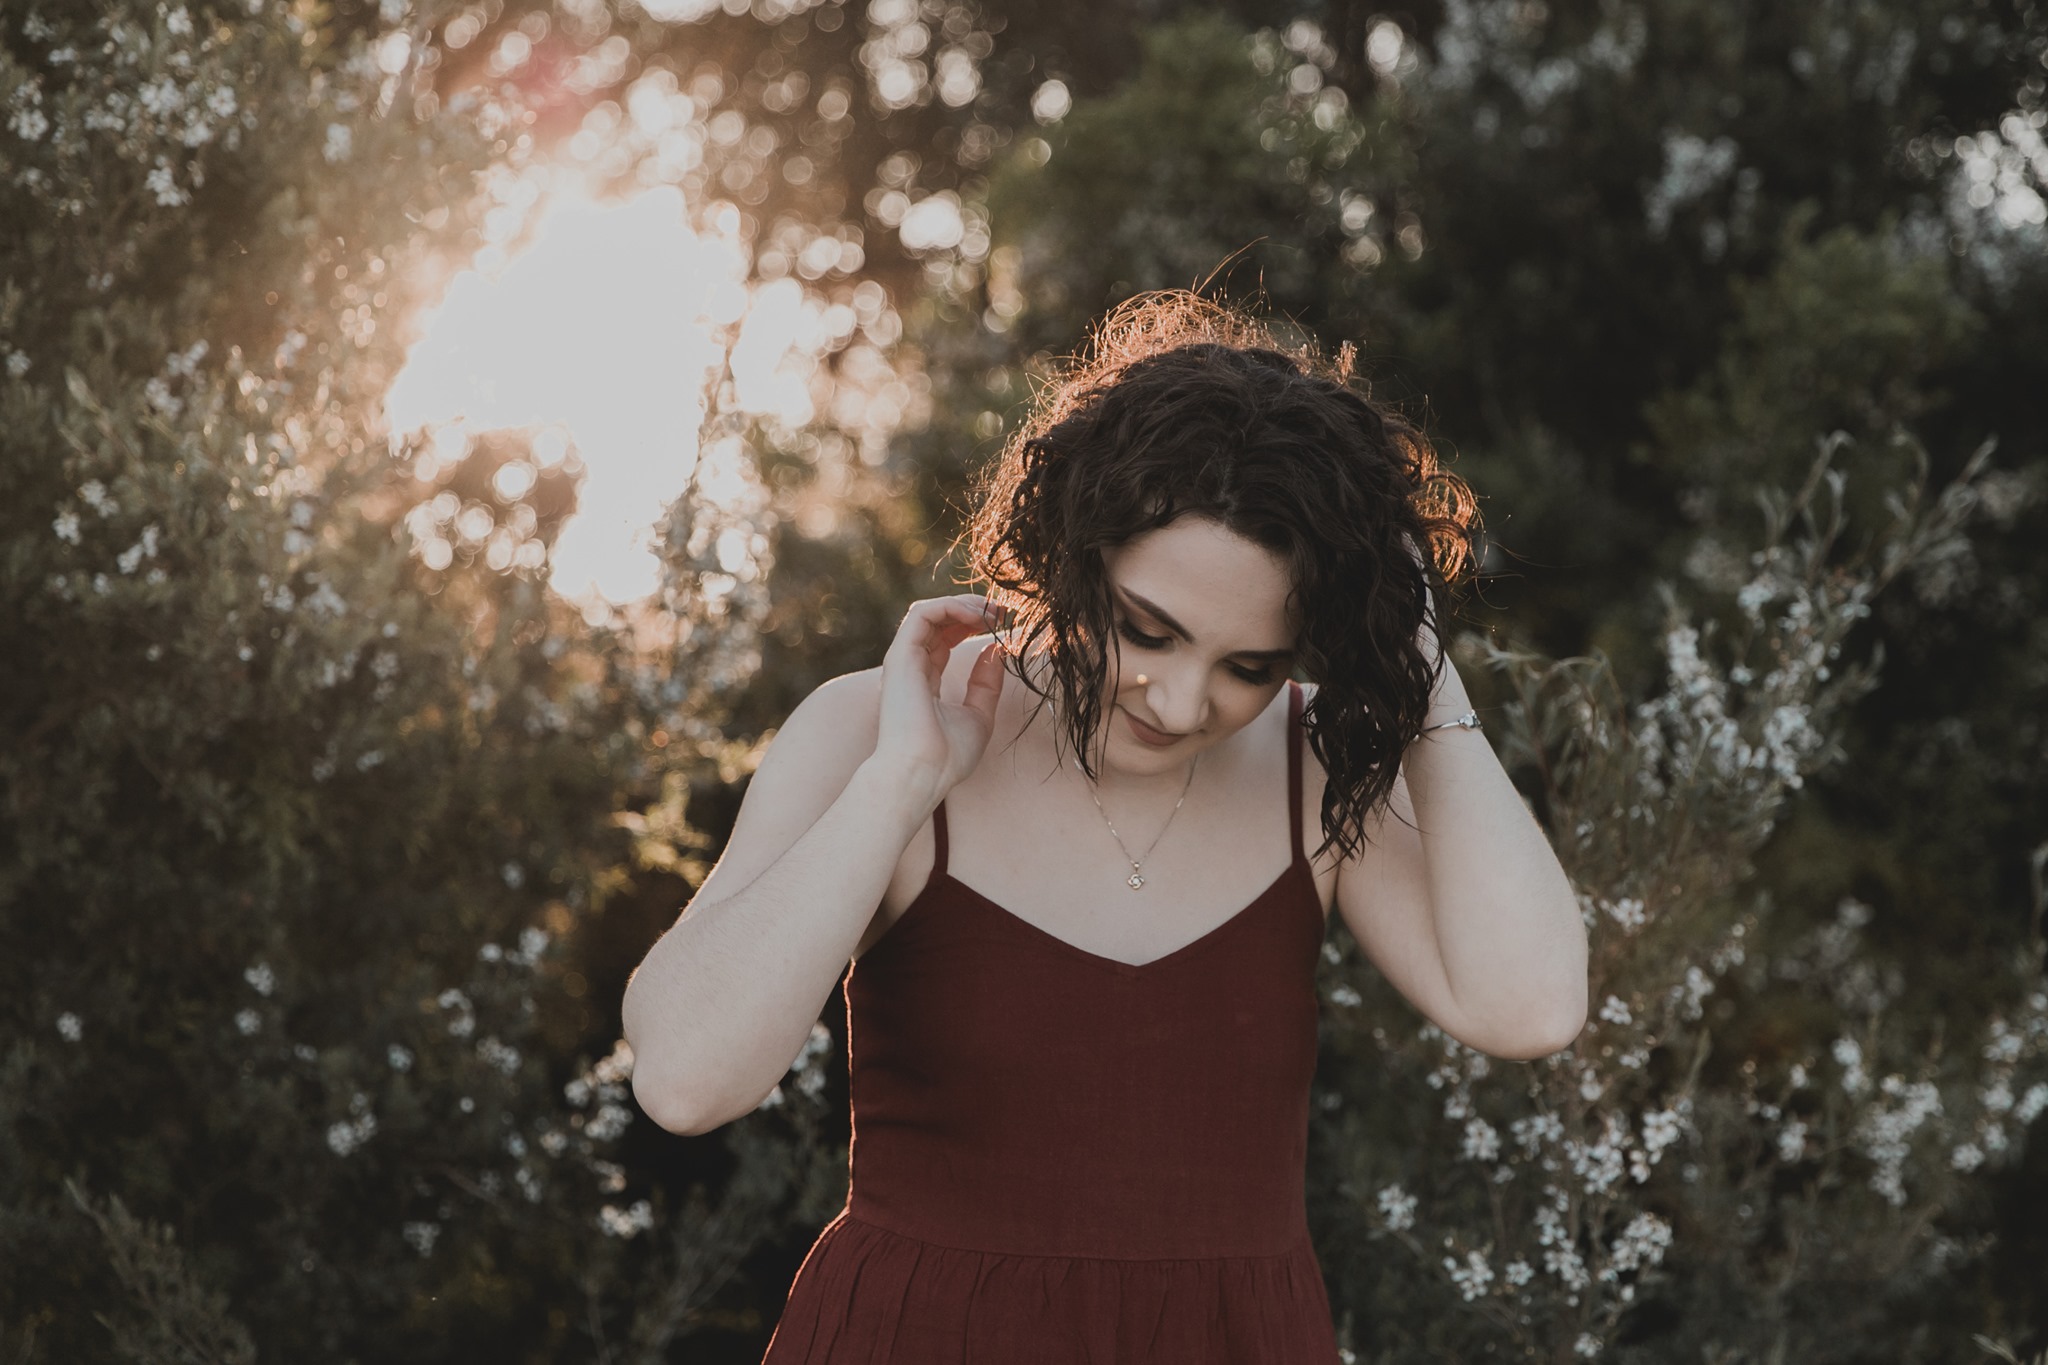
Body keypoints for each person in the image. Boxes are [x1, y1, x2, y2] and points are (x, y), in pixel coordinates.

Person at [620, 291, 1590, 1363]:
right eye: (1146, 631)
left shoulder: (1316, 762)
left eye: (1248, 666)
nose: (1180, 702)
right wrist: (898, 784)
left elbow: (1530, 1007)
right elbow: (686, 1081)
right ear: (1071, 551)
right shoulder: (875, 727)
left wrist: (1421, 673)